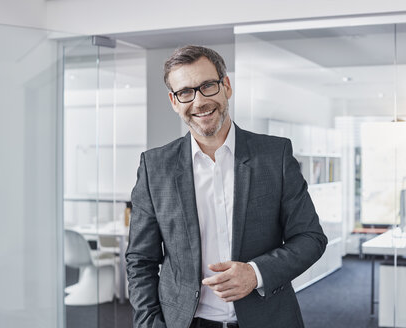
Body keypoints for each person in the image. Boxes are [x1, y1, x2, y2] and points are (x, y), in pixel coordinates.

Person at [126, 45, 327, 328]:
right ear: (174, 101)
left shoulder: (275, 155)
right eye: (185, 92)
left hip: (268, 319)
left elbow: (310, 238)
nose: (198, 102)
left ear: (226, 86)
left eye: (207, 85)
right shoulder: (155, 167)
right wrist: (149, 324)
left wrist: (255, 273)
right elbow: (140, 260)